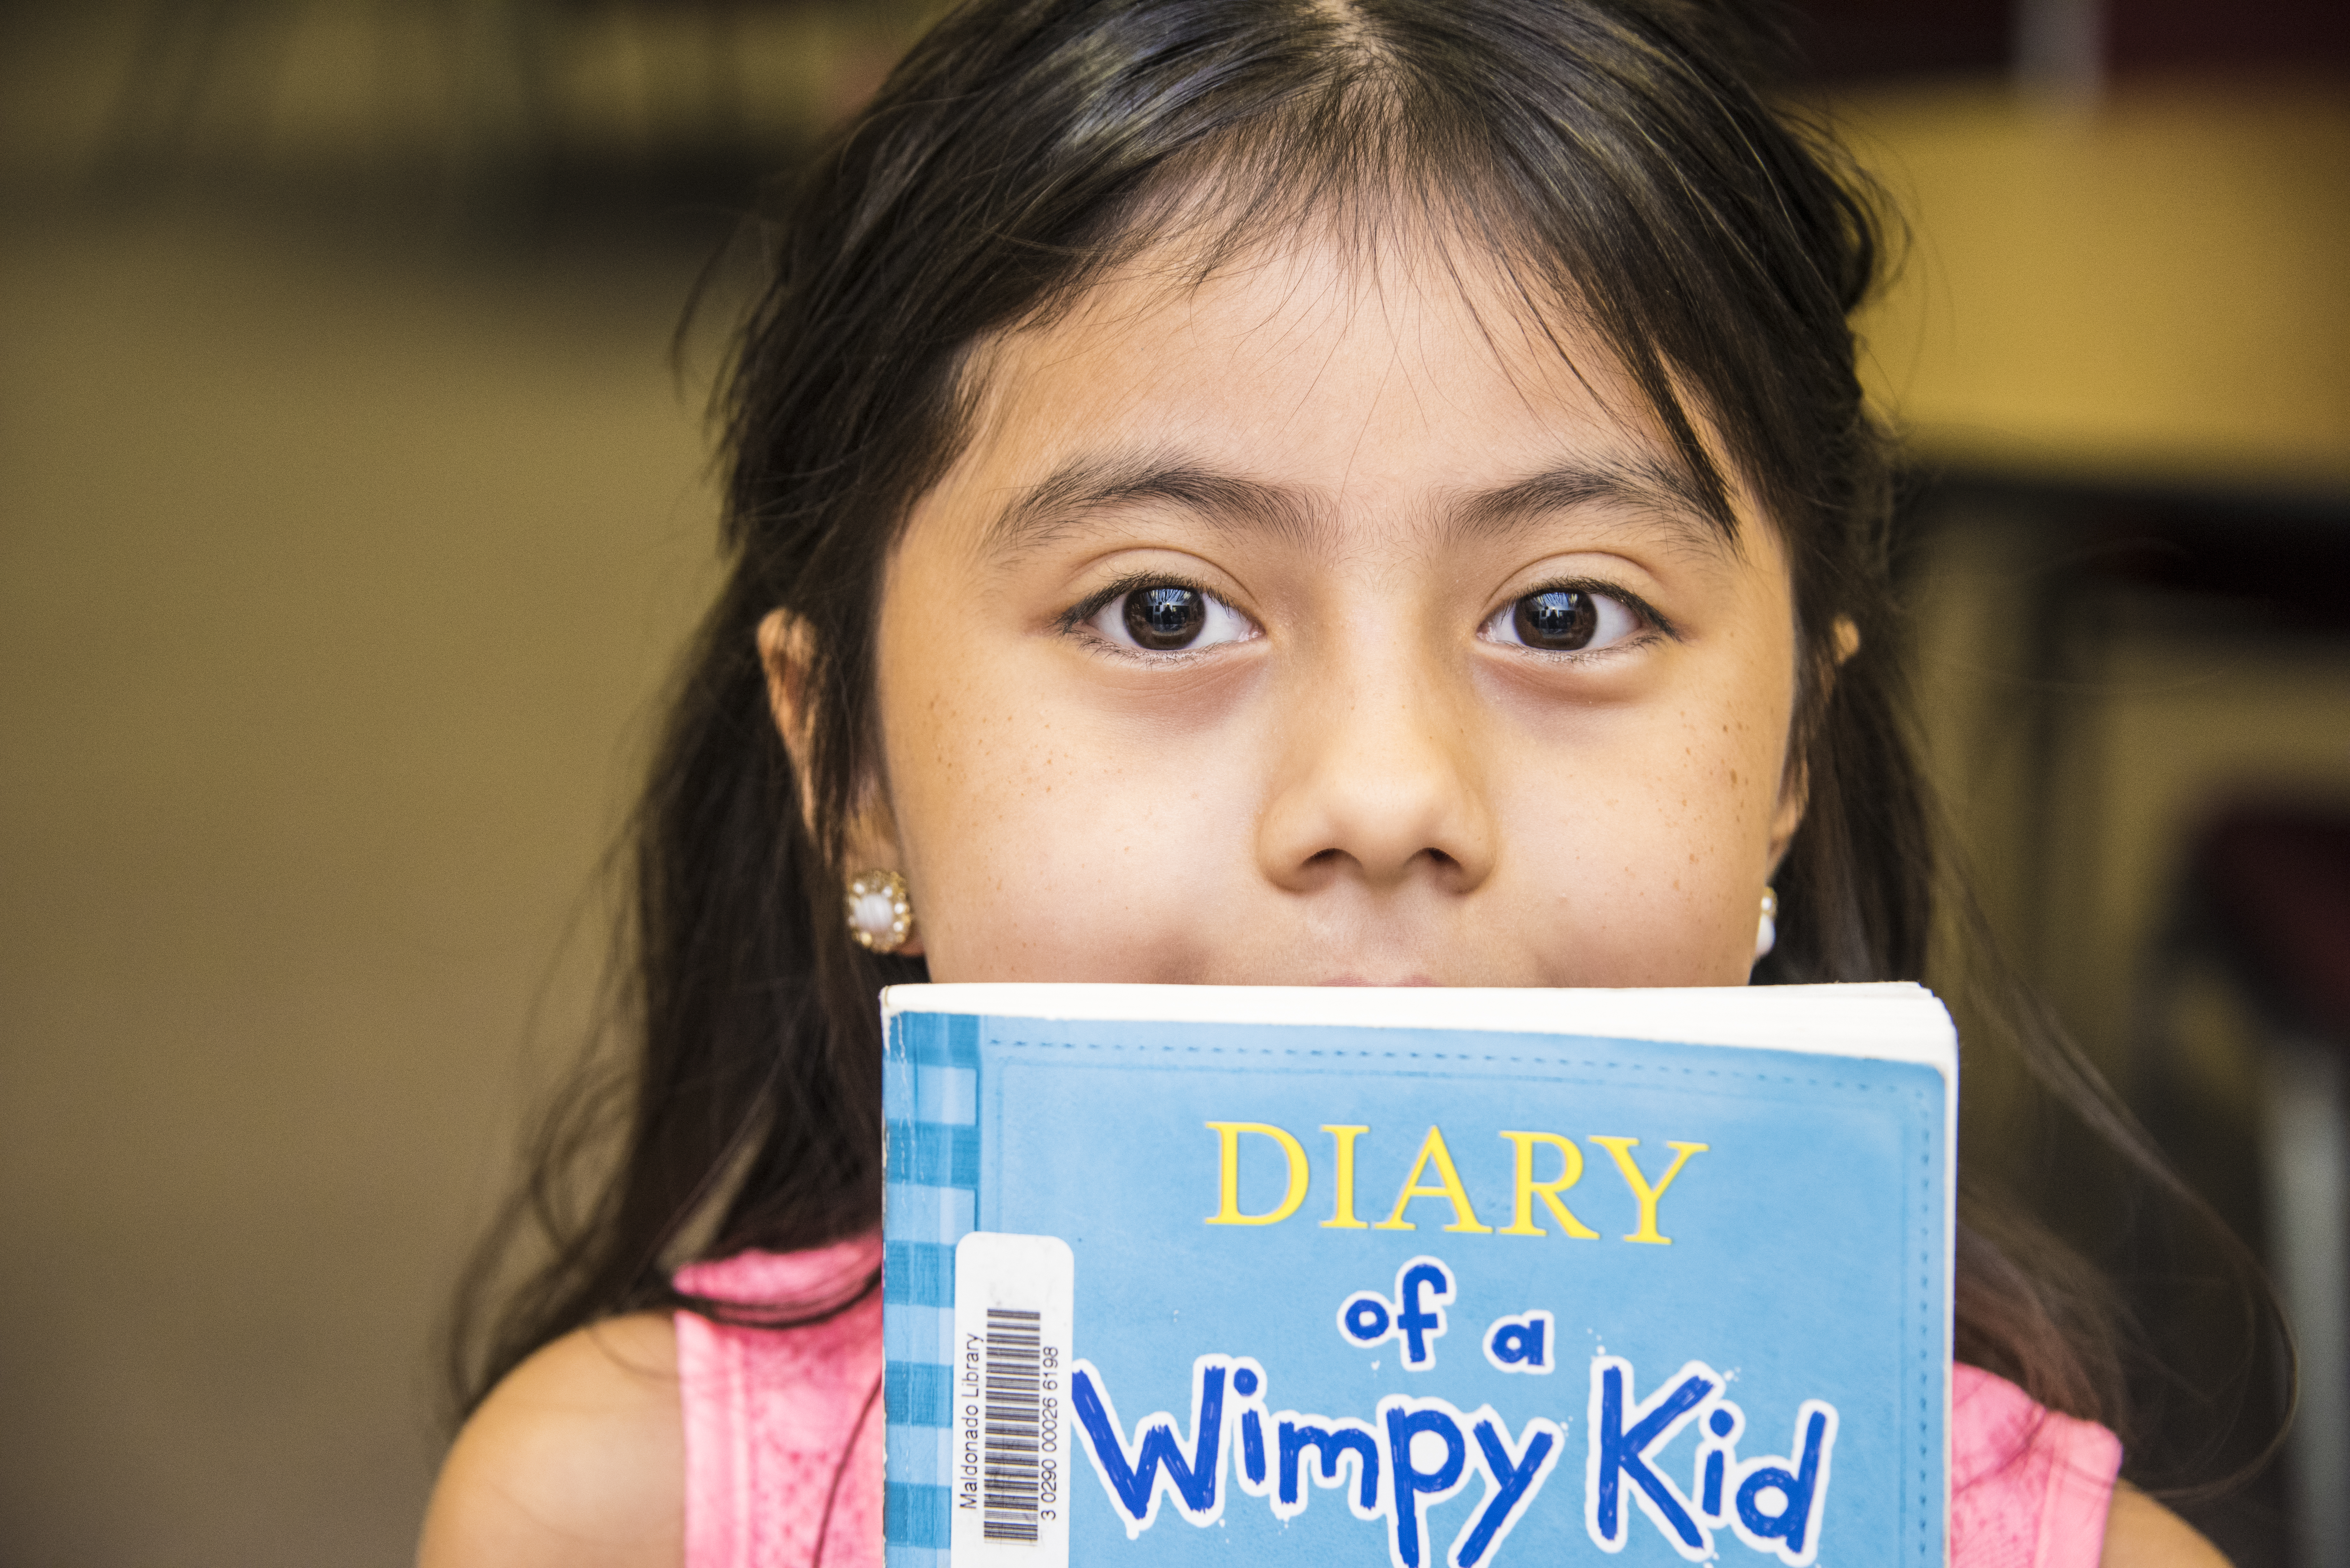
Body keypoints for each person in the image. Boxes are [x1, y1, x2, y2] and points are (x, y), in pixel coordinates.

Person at [417, 1, 2244, 1563]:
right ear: (853, 774)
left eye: (1564, 609)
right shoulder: (610, 1515)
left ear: (1790, 763)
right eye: (1158, 608)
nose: (1384, 795)